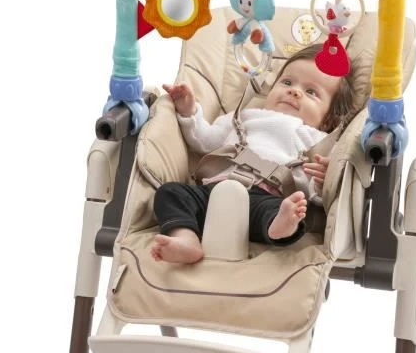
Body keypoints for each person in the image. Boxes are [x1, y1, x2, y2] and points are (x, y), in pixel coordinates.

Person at [151, 45, 357, 264]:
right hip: (213, 191)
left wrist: (324, 180)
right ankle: (186, 239)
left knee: (285, 210)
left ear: (329, 120)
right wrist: (190, 112)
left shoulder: (318, 140)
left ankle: (281, 227)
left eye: (311, 92)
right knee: (170, 192)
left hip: (265, 197)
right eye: (287, 82)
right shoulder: (243, 117)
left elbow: (315, 191)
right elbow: (205, 140)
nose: (294, 91)